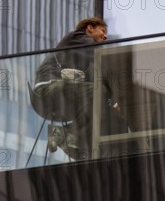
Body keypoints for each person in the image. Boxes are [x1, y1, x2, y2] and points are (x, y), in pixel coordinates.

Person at [34, 18, 126, 160]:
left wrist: (114, 100)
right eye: (103, 30)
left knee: (102, 103)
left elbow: (100, 78)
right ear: (90, 28)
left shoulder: (86, 58)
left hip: (63, 94)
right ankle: (70, 135)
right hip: (48, 88)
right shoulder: (77, 37)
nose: (105, 36)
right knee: (97, 92)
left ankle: (69, 137)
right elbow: (101, 59)